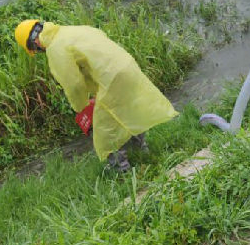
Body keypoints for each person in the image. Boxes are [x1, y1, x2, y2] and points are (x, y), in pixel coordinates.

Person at [14, 20, 178, 172]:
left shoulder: (56, 49)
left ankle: (122, 171)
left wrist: (82, 108)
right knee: (127, 113)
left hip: (111, 79)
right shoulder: (71, 30)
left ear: (34, 43)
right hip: (126, 66)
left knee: (104, 130)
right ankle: (143, 152)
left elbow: (74, 85)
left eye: (35, 50)